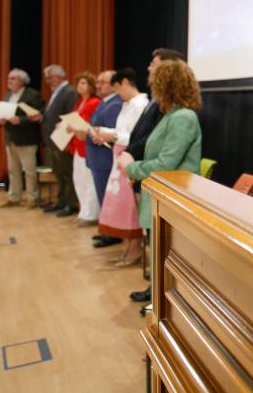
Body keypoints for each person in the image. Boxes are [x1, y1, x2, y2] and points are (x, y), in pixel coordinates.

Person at [117, 59, 202, 302]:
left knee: (165, 251)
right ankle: (156, 292)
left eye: (157, 84)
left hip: (172, 197)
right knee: (157, 249)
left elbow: (166, 164)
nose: (153, 89)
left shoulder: (183, 117)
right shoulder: (171, 115)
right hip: (160, 195)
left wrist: (131, 167)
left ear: (167, 86)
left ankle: (162, 301)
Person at [94, 68, 149, 266]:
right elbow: (122, 131)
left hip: (129, 157)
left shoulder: (140, 104)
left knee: (130, 206)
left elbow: (137, 137)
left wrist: (113, 135)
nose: (117, 93)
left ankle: (135, 248)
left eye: (117, 88)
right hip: (119, 156)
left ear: (125, 82)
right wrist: (106, 133)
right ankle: (131, 247)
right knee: (122, 205)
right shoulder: (127, 104)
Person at [33, 65, 77, 215]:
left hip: (63, 140)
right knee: (59, 173)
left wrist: (67, 140)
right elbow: (51, 115)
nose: (47, 81)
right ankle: (61, 202)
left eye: (50, 77)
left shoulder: (69, 92)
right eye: (46, 78)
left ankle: (70, 204)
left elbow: (70, 117)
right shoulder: (56, 92)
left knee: (67, 173)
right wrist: (41, 117)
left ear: (59, 76)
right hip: (53, 141)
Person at [0, 68, 45, 208]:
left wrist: (21, 120)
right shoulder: (7, 95)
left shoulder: (33, 94)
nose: (9, 81)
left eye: (13, 78)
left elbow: (39, 114)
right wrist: (0, 120)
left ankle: (32, 198)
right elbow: (3, 113)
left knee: (29, 170)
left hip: (27, 138)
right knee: (13, 170)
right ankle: (14, 197)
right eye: (9, 78)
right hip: (10, 138)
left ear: (22, 81)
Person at [62, 72, 101, 220]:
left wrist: (75, 127)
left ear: (91, 86)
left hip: (87, 145)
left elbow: (89, 125)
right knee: (78, 179)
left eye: (83, 83)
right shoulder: (79, 102)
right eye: (78, 83)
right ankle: (83, 210)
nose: (80, 85)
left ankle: (91, 214)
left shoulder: (94, 102)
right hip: (77, 145)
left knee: (88, 180)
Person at [84, 70, 122, 206]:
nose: (98, 86)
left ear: (114, 84)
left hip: (104, 160)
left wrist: (94, 133)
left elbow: (113, 135)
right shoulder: (105, 102)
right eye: (97, 82)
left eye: (103, 82)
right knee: (103, 201)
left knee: (106, 202)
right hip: (97, 158)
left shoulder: (115, 104)